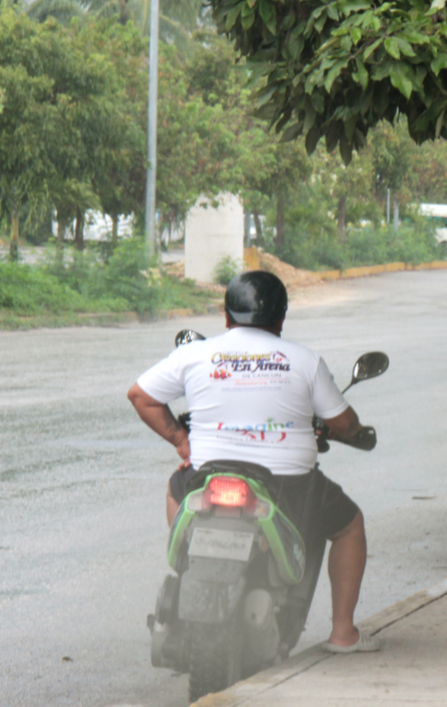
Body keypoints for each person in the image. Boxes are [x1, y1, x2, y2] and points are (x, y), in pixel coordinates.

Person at [126, 270, 380, 654]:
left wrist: (181, 441)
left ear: (227, 317)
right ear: (281, 318)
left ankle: (191, 562)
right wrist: (348, 431)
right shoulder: (304, 360)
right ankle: (343, 633)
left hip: (208, 475)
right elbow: (342, 423)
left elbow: (140, 395)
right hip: (289, 484)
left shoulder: (195, 353)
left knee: (176, 488)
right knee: (348, 526)